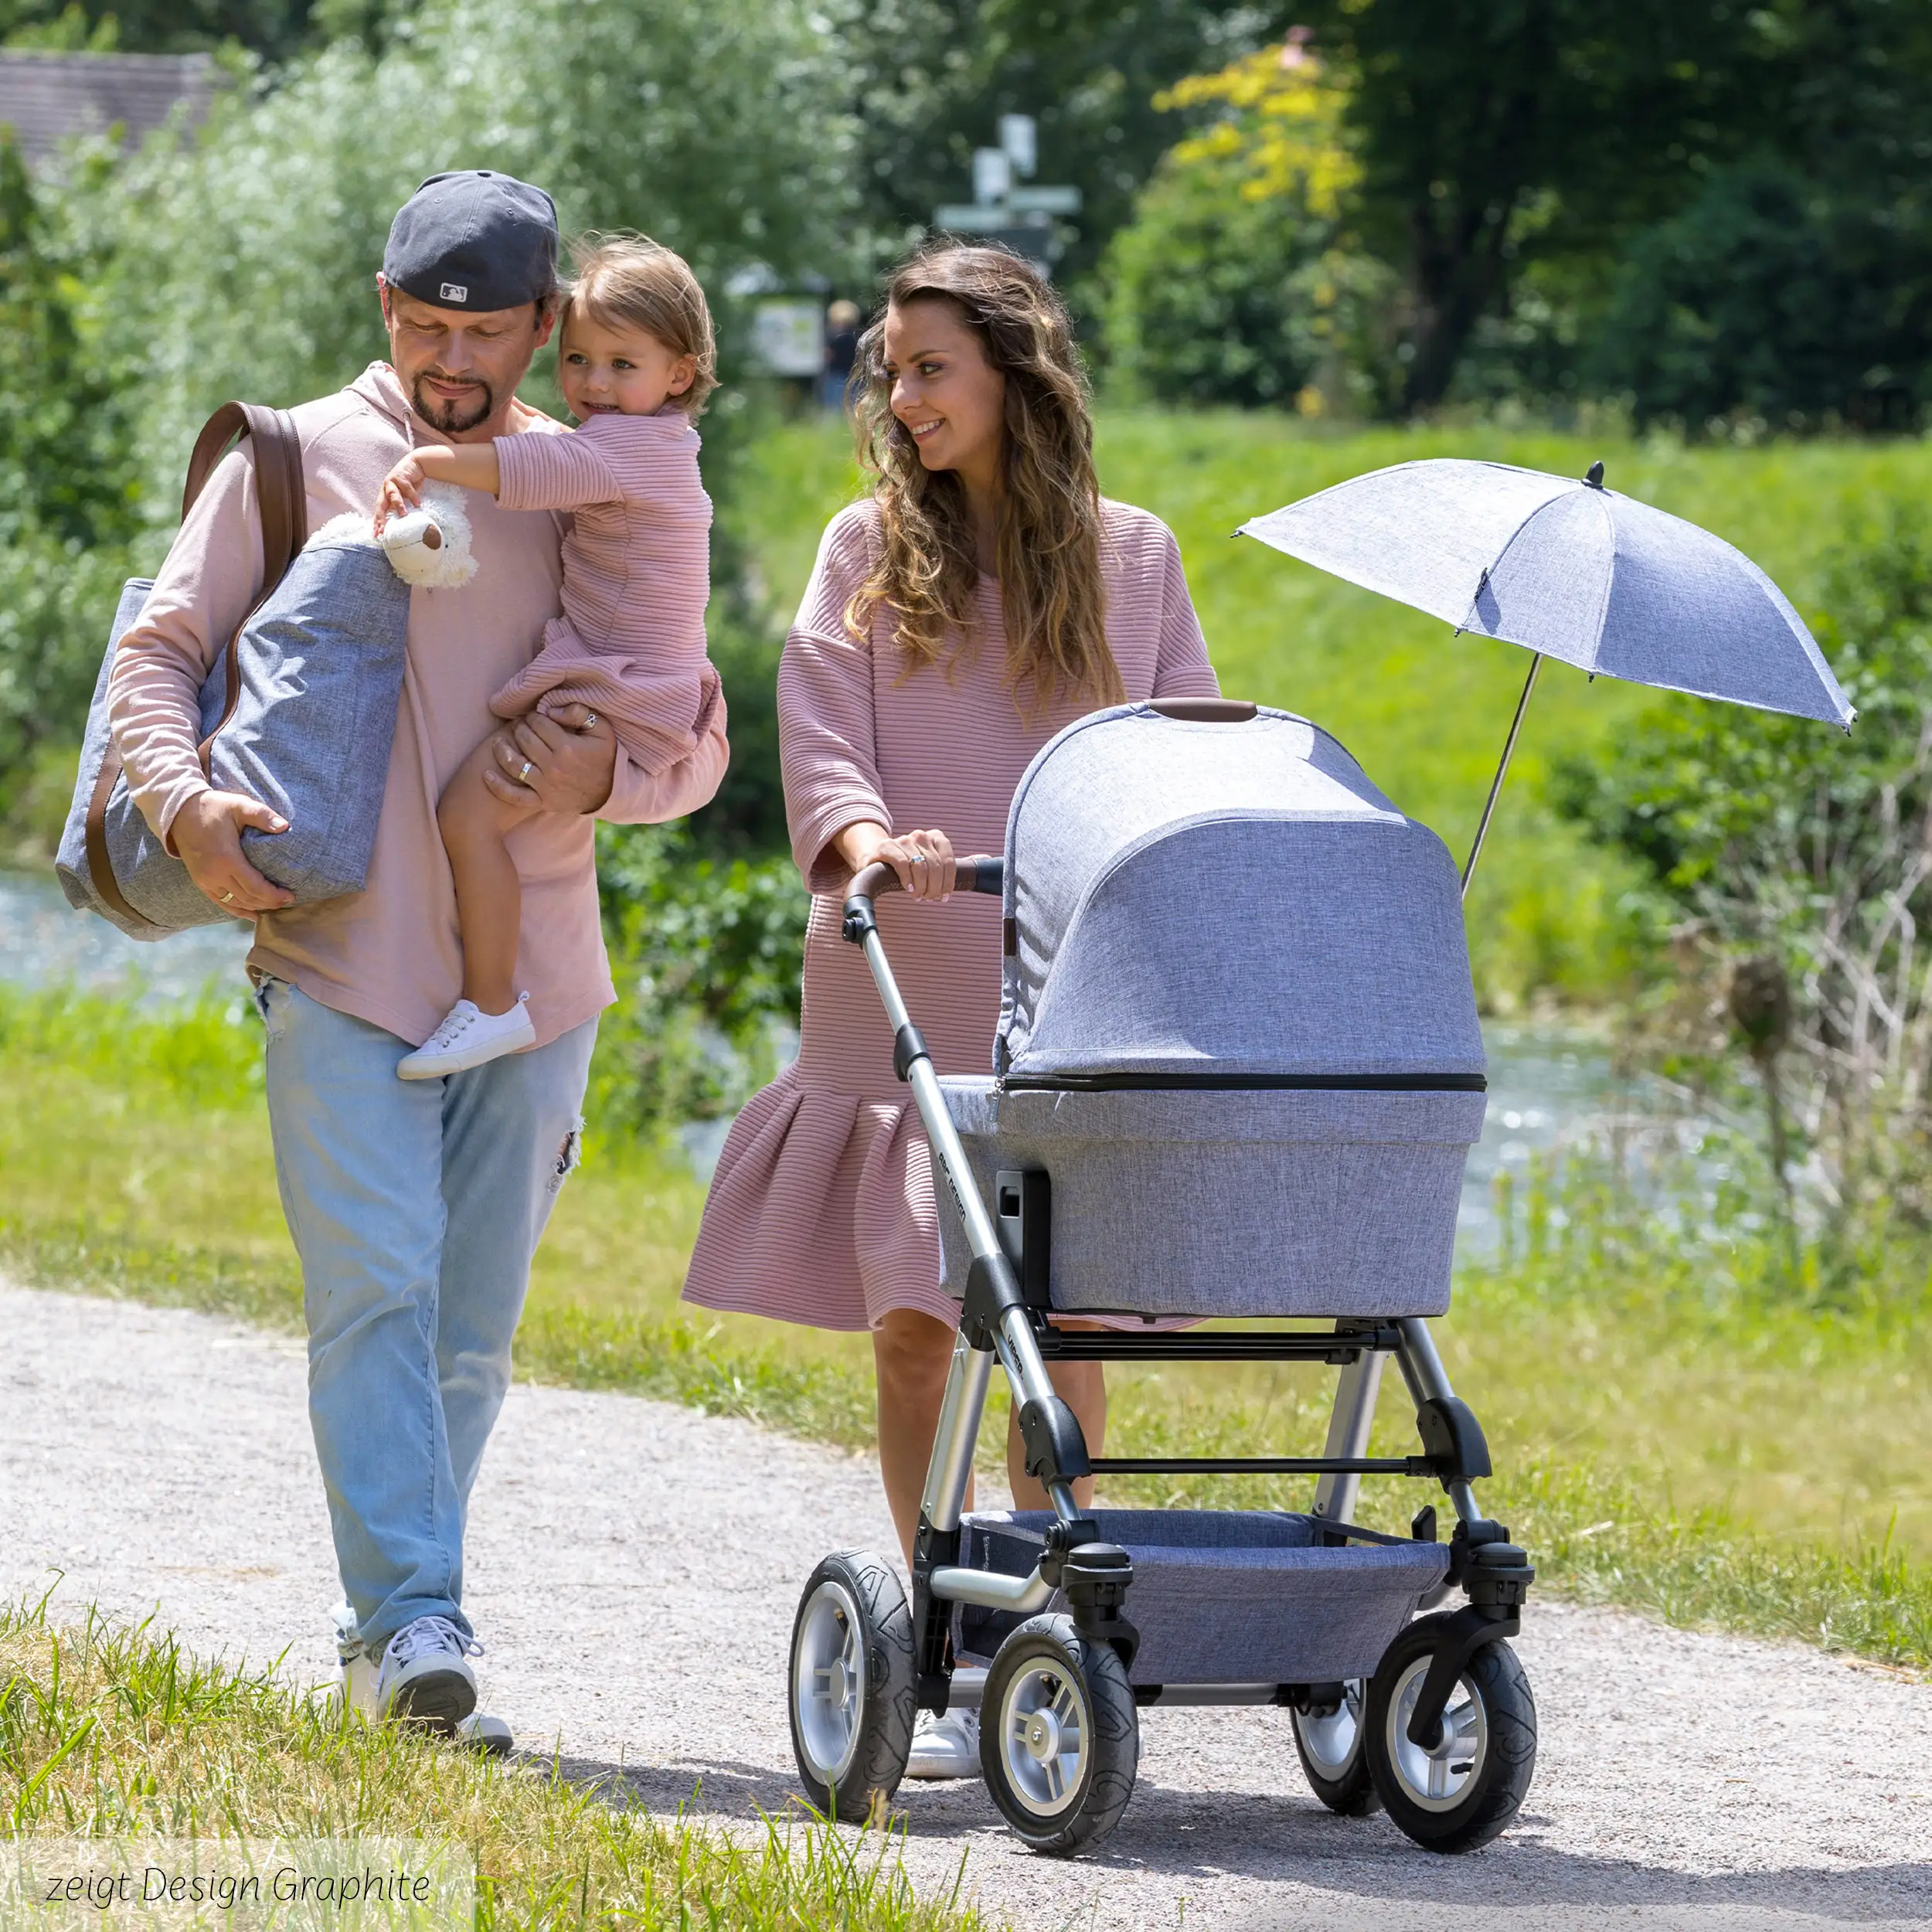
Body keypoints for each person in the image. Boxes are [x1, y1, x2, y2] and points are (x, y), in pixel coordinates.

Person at [106, 171, 728, 1747]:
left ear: (544, 326)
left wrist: (615, 777)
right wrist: (181, 806)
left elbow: (692, 729)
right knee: (374, 1287)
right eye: (422, 323)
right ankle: (412, 1621)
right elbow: (158, 655)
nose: (450, 357)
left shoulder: (587, 473)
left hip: (538, 977)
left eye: (486, 330)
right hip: (334, 953)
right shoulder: (295, 453)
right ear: (384, 307)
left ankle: (399, 1608)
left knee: (469, 1322)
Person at [682, 242, 1219, 1780]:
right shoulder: (863, 547)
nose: (902, 398)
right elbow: (823, 733)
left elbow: (1174, 735)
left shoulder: (1134, 556)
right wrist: (863, 847)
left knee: (1064, 1306)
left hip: (1065, 965)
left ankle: (1056, 1600)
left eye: (930, 368)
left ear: (1009, 372)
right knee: (918, 1319)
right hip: (898, 957)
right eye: (890, 373)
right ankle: (938, 1611)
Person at [374, 234, 719, 1079]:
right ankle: (490, 995)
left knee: (466, 814)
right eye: (576, 359)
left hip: (615, 693)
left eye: (621, 364)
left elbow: (533, 465)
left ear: (680, 373)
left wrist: (425, 459)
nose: (593, 385)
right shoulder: (658, 443)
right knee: (486, 818)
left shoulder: (628, 448)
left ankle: (491, 1003)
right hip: (642, 682)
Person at [821, 298, 861, 411]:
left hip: (836, 375)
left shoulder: (832, 336)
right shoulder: (857, 335)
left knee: (834, 408)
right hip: (854, 375)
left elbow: (828, 355)